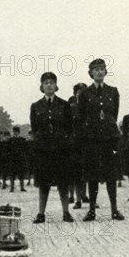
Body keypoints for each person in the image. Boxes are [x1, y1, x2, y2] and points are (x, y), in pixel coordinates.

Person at [79, 59, 124, 221]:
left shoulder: (113, 91)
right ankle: (91, 210)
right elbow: (82, 116)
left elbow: (114, 115)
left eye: (102, 69)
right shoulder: (85, 93)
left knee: (111, 175)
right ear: (90, 73)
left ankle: (114, 210)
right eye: (95, 69)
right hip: (92, 139)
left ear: (105, 72)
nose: (99, 72)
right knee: (92, 176)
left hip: (109, 139)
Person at [30, 72, 74, 223]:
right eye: (46, 83)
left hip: (61, 150)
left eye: (52, 82)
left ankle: (66, 212)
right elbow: (35, 128)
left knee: (63, 182)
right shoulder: (36, 106)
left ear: (56, 86)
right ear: (41, 87)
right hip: (43, 150)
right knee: (44, 183)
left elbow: (69, 127)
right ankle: (41, 213)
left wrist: (63, 142)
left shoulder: (64, 105)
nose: (49, 85)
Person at [69, 82, 89, 208]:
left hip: (88, 142)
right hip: (75, 143)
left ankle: (86, 196)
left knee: (89, 172)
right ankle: (77, 199)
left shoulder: (91, 107)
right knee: (76, 173)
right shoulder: (70, 108)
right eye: (79, 92)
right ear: (75, 94)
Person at [9, 126, 28, 192]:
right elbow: (9, 149)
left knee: (21, 173)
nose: (15, 133)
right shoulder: (10, 140)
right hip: (13, 159)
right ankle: (12, 187)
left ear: (19, 132)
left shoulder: (22, 140)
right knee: (12, 174)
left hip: (20, 158)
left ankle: (22, 187)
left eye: (16, 132)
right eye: (14, 132)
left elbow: (25, 149)